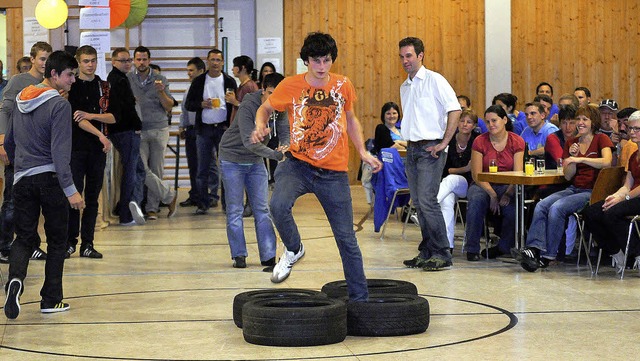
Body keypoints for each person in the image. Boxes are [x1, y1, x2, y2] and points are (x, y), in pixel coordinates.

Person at [251, 32, 382, 301]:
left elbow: (351, 119)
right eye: (316, 61)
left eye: (326, 60)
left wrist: (363, 152)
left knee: (346, 239)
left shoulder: (343, 85)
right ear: (306, 61)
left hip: (333, 174)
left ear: (332, 59)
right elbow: (264, 108)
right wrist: (260, 125)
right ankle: (294, 248)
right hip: (297, 165)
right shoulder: (290, 85)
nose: (321, 67)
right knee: (277, 205)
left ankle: (360, 299)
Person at [3, 50, 84, 319]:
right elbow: (60, 153)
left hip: (22, 179)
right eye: (70, 75)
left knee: (24, 237)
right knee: (58, 240)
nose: (73, 80)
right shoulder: (60, 106)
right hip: (50, 180)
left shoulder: (20, 98)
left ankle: (15, 279)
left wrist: (20, 167)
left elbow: (11, 142)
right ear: (54, 75)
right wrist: (71, 190)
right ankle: (51, 299)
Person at [513, 105, 613, 272]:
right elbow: (568, 176)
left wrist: (581, 160)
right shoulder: (572, 143)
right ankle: (533, 249)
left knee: (557, 208)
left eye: (584, 120)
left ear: (593, 122)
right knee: (542, 205)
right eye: (578, 120)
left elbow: (607, 161)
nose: (580, 123)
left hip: (592, 191)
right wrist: (572, 158)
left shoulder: (601, 139)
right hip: (574, 187)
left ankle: (548, 256)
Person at [398, 36, 461, 271]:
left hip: (431, 148)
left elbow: (454, 109)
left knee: (427, 200)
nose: (405, 60)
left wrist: (444, 142)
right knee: (419, 203)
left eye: (409, 56)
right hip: (413, 148)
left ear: (421, 55)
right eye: (402, 56)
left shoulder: (435, 80)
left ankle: (442, 252)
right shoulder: (405, 86)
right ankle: (426, 251)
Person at [219, 73, 288, 270]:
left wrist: (285, 147)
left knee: (262, 209)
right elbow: (250, 142)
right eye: (270, 94)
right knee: (235, 210)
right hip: (232, 159)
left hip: (256, 161)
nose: (274, 99)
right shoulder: (249, 106)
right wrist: (276, 156)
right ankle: (239, 254)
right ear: (262, 90)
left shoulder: (280, 106)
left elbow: (285, 133)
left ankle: (268, 256)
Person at [0, 41, 53, 264]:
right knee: (12, 201)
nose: (44, 63)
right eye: (41, 59)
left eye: (48, 60)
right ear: (32, 59)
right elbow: (5, 110)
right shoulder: (18, 81)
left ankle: (31, 244)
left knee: (34, 202)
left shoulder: (49, 83)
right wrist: (2, 141)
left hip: (39, 153)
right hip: (18, 149)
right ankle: (3, 246)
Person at [65, 45, 114, 259]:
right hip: (76, 148)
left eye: (93, 60)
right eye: (85, 61)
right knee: (75, 196)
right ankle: (70, 242)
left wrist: (93, 117)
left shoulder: (104, 86)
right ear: (78, 62)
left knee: (93, 198)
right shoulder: (71, 86)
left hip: (97, 150)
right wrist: (100, 134)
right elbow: (77, 117)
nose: (90, 64)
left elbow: (114, 116)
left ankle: (88, 243)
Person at [464, 105, 525, 260]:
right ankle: (472, 248)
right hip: (482, 184)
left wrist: (507, 193)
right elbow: (476, 174)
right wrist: (492, 194)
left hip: (508, 184)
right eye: (488, 121)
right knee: (476, 201)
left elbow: (518, 173)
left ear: (504, 120)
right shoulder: (479, 141)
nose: (491, 124)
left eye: (494, 120)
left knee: (512, 208)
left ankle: (503, 247)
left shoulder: (517, 141)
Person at [583, 110, 640, 274]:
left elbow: (633, 190)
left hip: (637, 197)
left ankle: (636, 252)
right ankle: (616, 252)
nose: (632, 132)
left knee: (612, 213)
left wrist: (625, 198)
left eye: (637, 129)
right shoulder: (634, 154)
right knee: (592, 212)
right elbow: (628, 183)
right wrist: (616, 195)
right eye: (631, 128)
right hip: (631, 195)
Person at [185, 49, 237, 215]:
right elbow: (188, 104)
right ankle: (202, 203)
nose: (215, 63)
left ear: (222, 62)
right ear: (207, 62)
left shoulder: (229, 81)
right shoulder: (200, 81)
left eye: (218, 60)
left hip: (223, 129)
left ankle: (227, 205)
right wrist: (201, 104)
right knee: (202, 168)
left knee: (226, 167)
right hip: (204, 129)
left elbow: (234, 105)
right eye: (212, 60)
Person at [128, 46, 178, 220]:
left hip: (159, 128)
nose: (141, 63)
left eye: (144, 59)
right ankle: (166, 196)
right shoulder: (128, 79)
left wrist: (161, 92)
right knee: (142, 169)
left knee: (156, 169)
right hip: (138, 129)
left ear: (149, 60)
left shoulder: (160, 79)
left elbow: (170, 106)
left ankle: (152, 209)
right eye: (138, 59)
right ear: (134, 60)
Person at [107, 48, 146, 226]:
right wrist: (137, 125)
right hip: (125, 131)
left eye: (128, 60)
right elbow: (124, 109)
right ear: (113, 62)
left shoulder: (118, 79)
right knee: (131, 171)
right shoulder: (118, 80)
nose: (127, 63)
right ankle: (125, 213)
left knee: (138, 170)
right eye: (123, 60)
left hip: (120, 130)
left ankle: (129, 206)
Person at [440, 109, 477, 250]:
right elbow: (444, 169)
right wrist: (463, 169)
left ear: (474, 126)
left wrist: (458, 170)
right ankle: (446, 245)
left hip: (469, 184)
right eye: (462, 121)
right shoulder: (449, 140)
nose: (465, 124)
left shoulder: (477, 140)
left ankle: (429, 207)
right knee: (447, 201)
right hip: (449, 186)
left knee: (451, 179)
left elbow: (473, 170)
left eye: (469, 122)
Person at [178, 57, 206, 207]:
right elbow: (185, 109)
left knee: (205, 166)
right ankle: (195, 194)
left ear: (200, 71)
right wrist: (182, 126)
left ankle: (206, 195)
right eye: (187, 70)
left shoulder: (205, 87)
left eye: (191, 70)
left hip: (202, 130)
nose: (188, 73)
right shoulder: (189, 88)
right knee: (193, 165)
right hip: (190, 129)